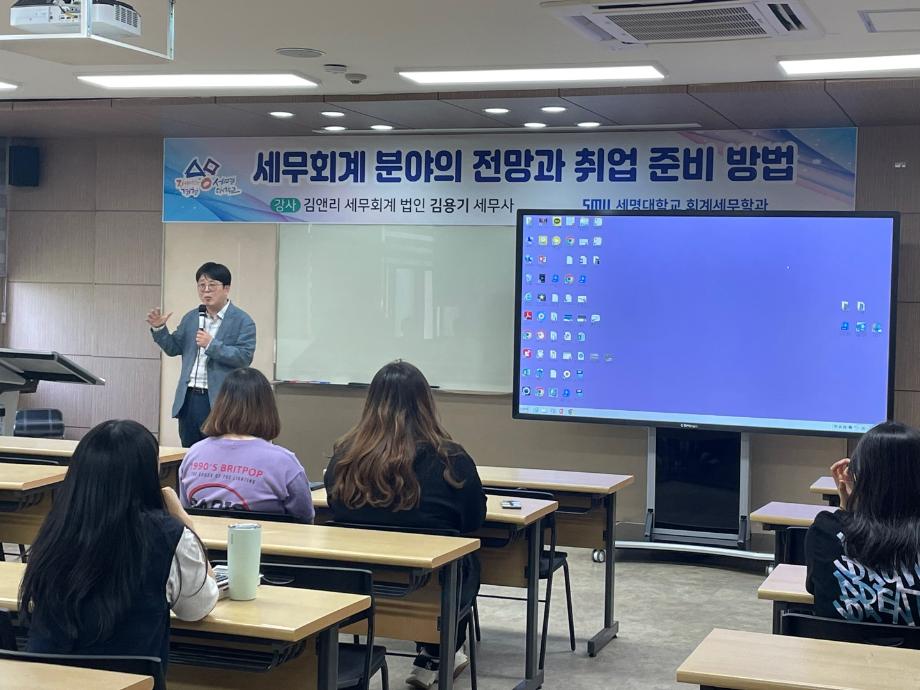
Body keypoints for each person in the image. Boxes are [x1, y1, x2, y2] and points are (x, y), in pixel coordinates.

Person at [324, 360, 486, 689]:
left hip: (355, 589)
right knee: (462, 559)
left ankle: (433, 653)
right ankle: (439, 651)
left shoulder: (344, 458)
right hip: (435, 589)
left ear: (370, 403)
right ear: (426, 403)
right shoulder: (451, 460)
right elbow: (473, 519)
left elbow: (333, 505)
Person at [20, 419, 218, 674]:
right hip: (130, 683)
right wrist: (185, 522)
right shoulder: (166, 534)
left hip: (45, 681)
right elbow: (197, 608)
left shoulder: (57, 527)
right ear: (147, 474)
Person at [805, 421, 920, 625]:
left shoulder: (825, 532)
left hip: (837, 646)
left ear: (859, 477)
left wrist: (846, 508)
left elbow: (816, 589)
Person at [179, 367, 315, 523]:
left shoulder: (194, 454)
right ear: (268, 408)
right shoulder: (284, 462)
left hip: (203, 538)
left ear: (220, 404)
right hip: (264, 539)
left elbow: (185, 512)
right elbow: (304, 518)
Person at [147, 262, 256, 447]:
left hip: (220, 399)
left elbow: (244, 357)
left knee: (218, 452)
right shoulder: (192, 318)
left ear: (226, 288)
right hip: (189, 398)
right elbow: (173, 348)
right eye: (201, 285)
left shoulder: (243, 321)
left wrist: (212, 345)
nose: (206, 291)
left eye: (212, 285)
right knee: (189, 451)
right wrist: (159, 328)